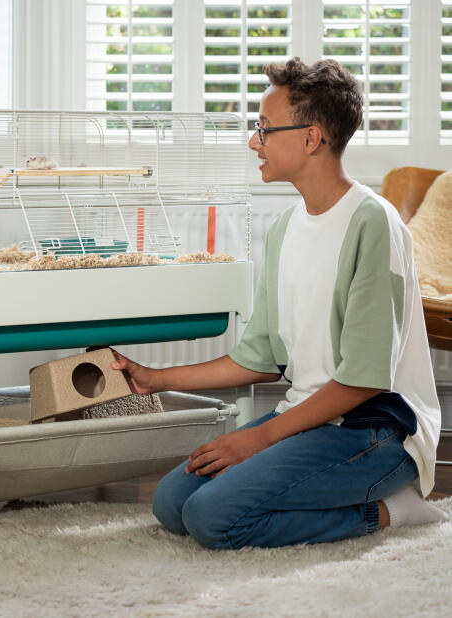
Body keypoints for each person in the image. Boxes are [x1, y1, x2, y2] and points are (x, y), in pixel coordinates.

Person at [111, 57, 448, 549]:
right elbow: (261, 358)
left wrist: (257, 438)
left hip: (376, 431)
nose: (254, 142)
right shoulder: (286, 227)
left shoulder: (373, 223)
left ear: (311, 138)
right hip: (310, 418)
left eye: (265, 130)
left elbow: (365, 378)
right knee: (172, 504)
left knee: (211, 518)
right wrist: (156, 378)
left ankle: (392, 510)